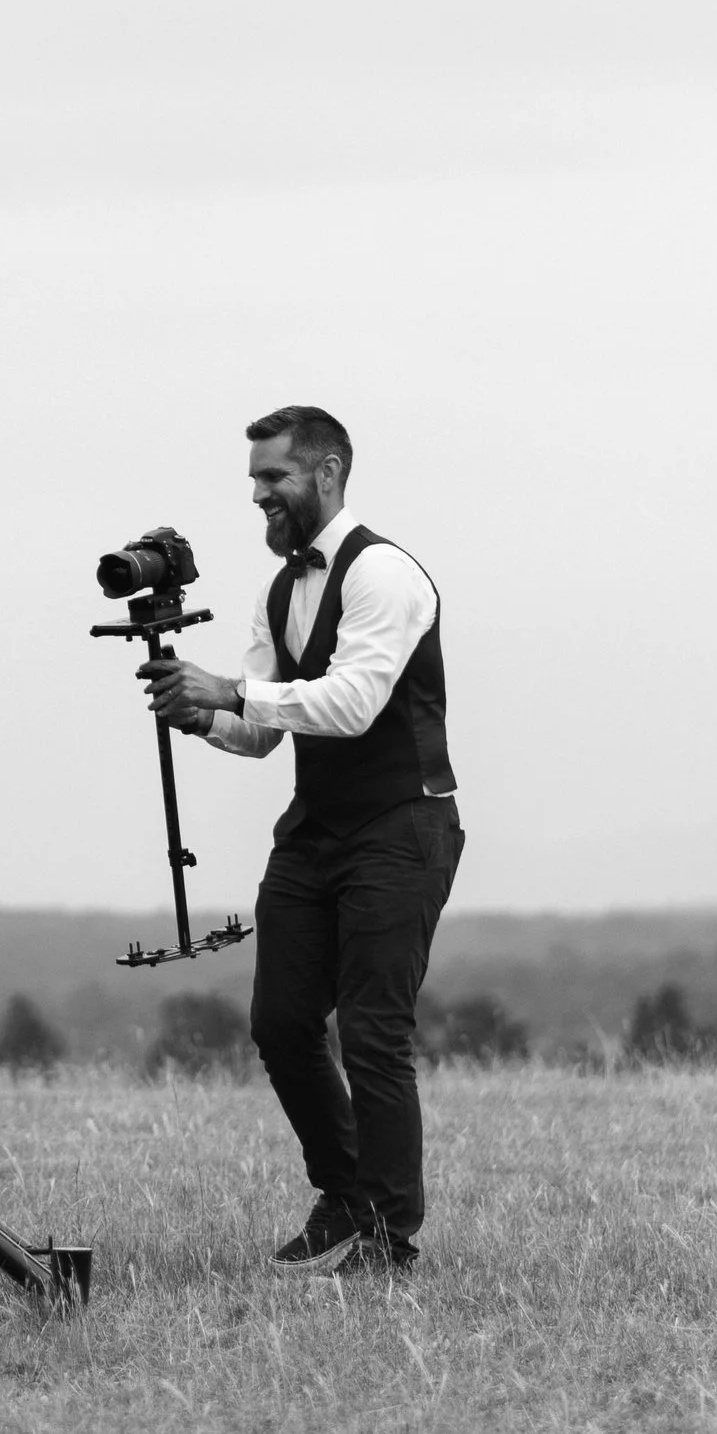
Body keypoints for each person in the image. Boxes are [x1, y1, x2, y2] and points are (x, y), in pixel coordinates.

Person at [143, 403, 461, 1274]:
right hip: (315, 830)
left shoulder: (384, 574)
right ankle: (345, 1192)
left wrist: (231, 691)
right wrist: (200, 712)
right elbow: (260, 733)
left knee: (373, 1033)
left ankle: (391, 1240)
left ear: (327, 473)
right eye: (254, 479)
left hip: (403, 824)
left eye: (274, 476)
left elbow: (352, 704)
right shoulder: (278, 591)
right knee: (281, 1023)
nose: (259, 495)